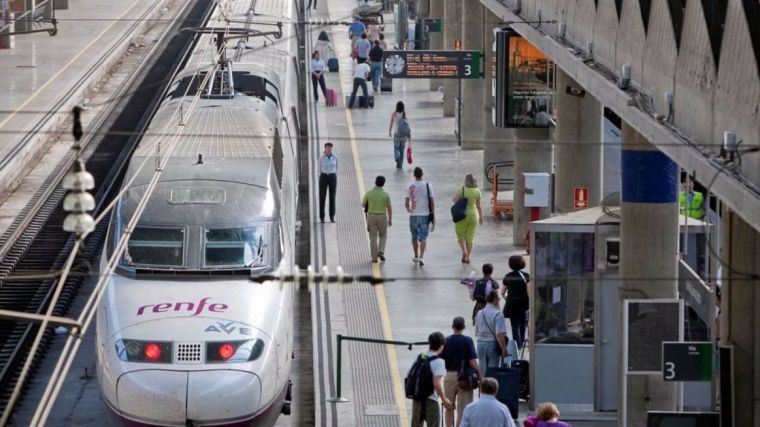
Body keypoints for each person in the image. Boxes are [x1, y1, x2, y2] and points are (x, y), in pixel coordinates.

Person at [439, 317, 480, 427]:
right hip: (465, 378)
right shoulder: (467, 341)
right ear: (464, 327)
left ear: (452, 327)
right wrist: (481, 374)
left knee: (448, 406)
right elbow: (472, 362)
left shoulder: (446, 340)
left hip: (449, 377)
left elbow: (439, 355)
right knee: (463, 408)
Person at [409, 331, 452, 427]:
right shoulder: (439, 361)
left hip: (417, 399)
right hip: (431, 400)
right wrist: (444, 399)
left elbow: (411, 375)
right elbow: (436, 383)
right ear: (441, 346)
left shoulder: (419, 357)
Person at [405, 167, 435, 266]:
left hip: (413, 216)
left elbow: (406, 203)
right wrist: (433, 215)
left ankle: (416, 255)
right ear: (422, 174)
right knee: (423, 237)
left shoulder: (410, 186)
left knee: (414, 237)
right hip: (425, 215)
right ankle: (422, 257)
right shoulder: (428, 185)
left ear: (414, 175)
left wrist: (409, 210)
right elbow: (431, 202)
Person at [501, 255, 530, 350]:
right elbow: (529, 292)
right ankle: (521, 343)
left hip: (512, 305)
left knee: (514, 325)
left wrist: (508, 299)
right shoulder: (526, 276)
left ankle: (517, 346)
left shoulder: (507, 277)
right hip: (523, 304)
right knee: (523, 325)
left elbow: (502, 293)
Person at [474, 290, 508, 370]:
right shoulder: (498, 314)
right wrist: (504, 350)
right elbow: (499, 334)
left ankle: (483, 382)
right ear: (495, 299)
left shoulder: (479, 313)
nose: (499, 300)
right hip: (492, 345)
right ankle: (491, 383)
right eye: (498, 298)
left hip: (480, 344)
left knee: (483, 371)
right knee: (493, 372)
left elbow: (476, 333)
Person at [453, 174, 483, 264]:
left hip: (462, 215)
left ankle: (464, 252)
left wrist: (462, 201)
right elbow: (479, 206)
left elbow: (454, 200)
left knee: (460, 235)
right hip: (474, 216)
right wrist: (481, 217)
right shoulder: (477, 191)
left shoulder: (462, 190)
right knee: (470, 237)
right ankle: (468, 257)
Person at [362, 175, 392, 263]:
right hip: (382, 216)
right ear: (383, 184)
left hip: (371, 217)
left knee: (373, 237)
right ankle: (381, 251)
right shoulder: (386, 195)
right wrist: (390, 219)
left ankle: (374, 258)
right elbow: (389, 208)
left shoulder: (369, 193)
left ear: (375, 182)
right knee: (383, 235)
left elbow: (363, 204)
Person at [318, 142, 337, 223]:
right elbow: (319, 168)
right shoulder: (322, 158)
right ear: (325, 149)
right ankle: (322, 217)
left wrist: (333, 174)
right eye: (327, 148)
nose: (329, 149)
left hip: (332, 177)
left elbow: (337, 167)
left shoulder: (335, 157)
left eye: (330, 148)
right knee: (322, 197)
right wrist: (321, 176)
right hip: (324, 176)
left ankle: (332, 216)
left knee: (332, 197)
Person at [388, 101, 409, 168]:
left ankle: (397, 157)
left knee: (396, 148)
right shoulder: (404, 114)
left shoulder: (394, 114)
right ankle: (400, 164)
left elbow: (391, 123)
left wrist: (390, 131)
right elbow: (407, 125)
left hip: (396, 134)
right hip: (403, 135)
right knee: (402, 149)